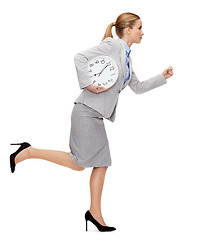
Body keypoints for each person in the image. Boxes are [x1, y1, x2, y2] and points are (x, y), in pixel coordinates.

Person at [10, 12, 173, 232]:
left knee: (102, 162)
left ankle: (94, 213)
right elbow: (79, 57)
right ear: (128, 30)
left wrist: (162, 76)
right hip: (86, 111)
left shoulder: (127, 57)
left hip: (96, 116)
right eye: (139, 28)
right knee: (78, 164)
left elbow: (138, 87)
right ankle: (28, 152)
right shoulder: (112, 45)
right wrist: (87, 84)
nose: (143, 32)